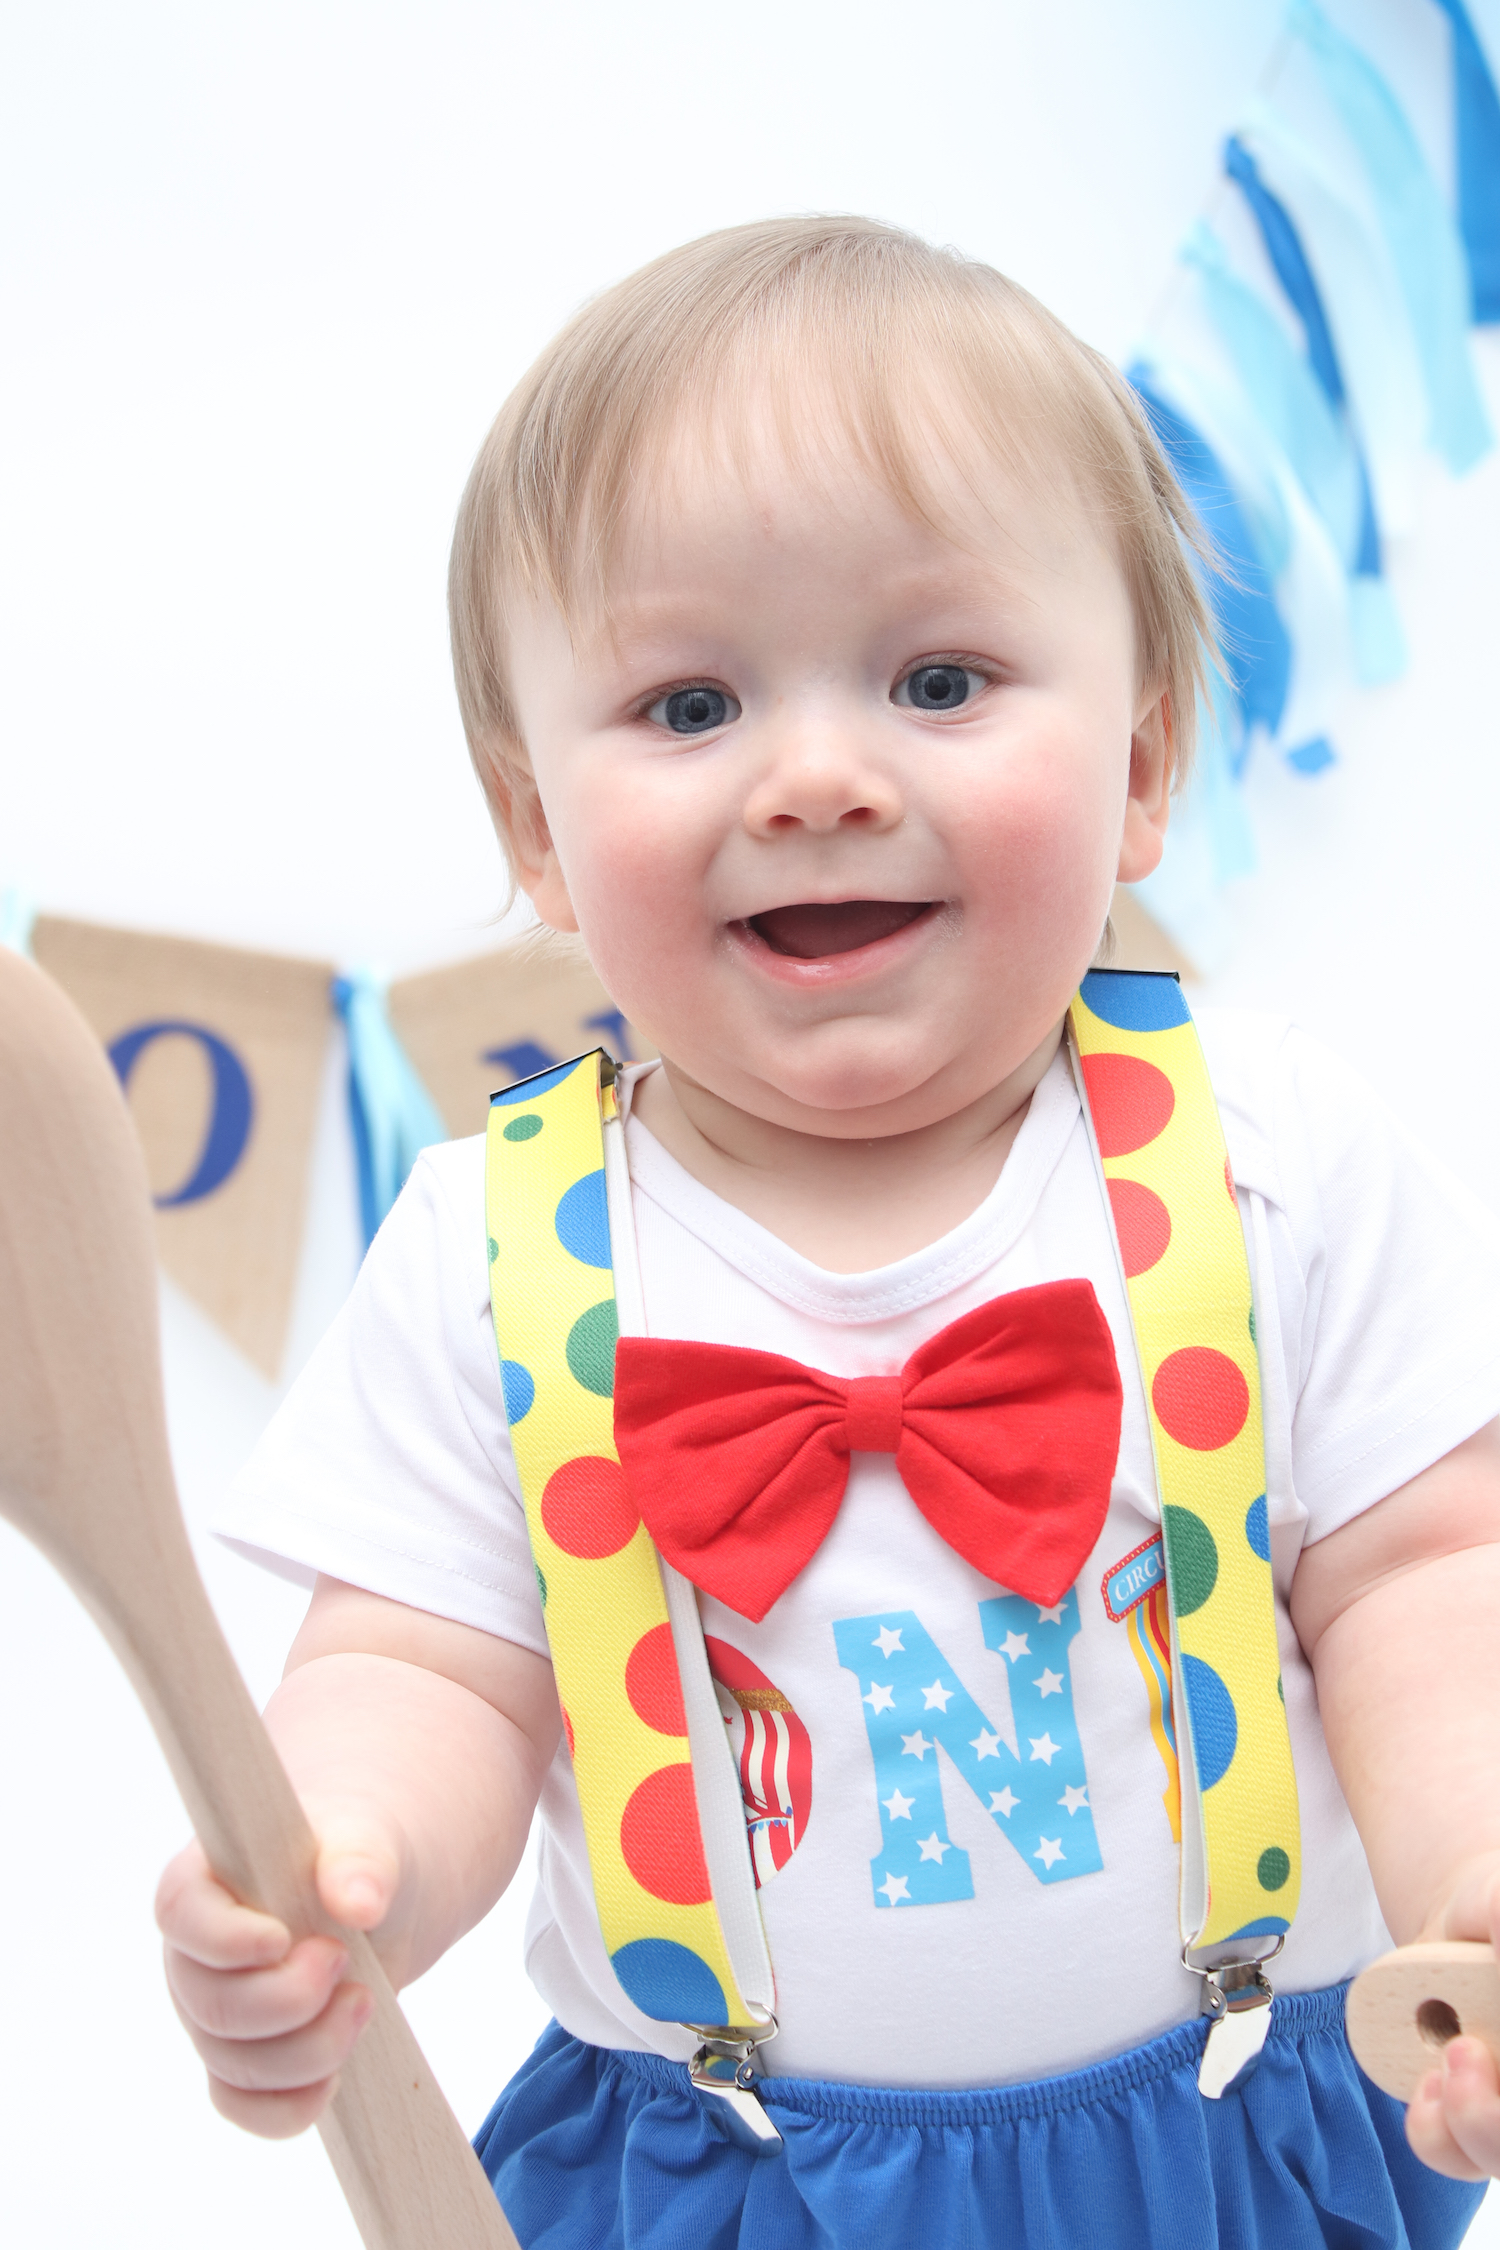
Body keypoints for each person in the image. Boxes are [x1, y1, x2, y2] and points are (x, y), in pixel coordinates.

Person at [169, 217, 1500, 2246]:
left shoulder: (1273, 1154)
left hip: (1221, 2137)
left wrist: (1475, 1886)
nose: (809, 775)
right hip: (721, 2173)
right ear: (538, 833)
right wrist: (340, 1865)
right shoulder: (490, 1246)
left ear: (1140, 766)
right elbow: (425, 1667)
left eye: (939, 678)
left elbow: (1425, 1579)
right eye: (690, 703)